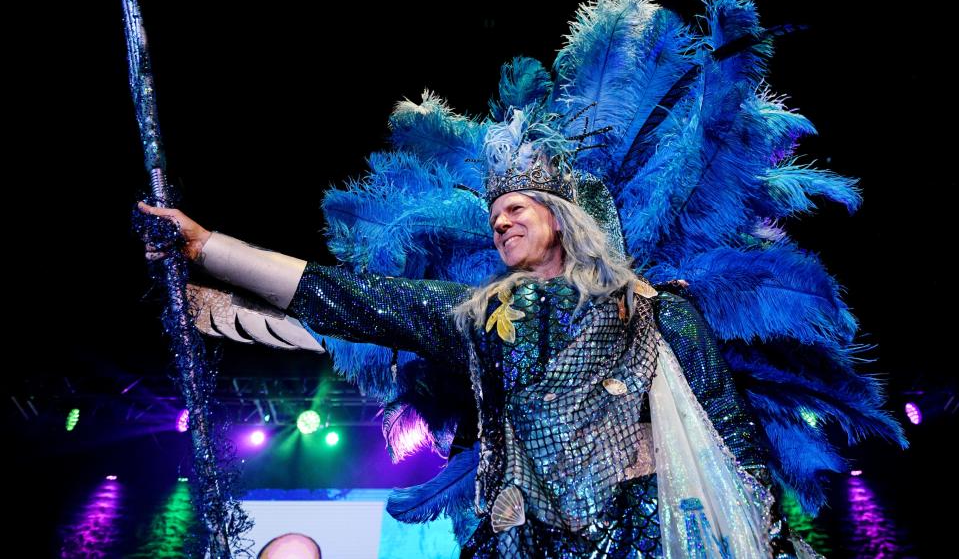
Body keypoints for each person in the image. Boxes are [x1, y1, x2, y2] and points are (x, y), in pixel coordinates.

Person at [138, 181, 810, 557]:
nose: (502, 221)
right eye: (493, 217)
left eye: (517, 206)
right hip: (528, 540)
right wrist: (209, 248)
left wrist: (760, 537)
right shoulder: (480, 315)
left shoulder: (657, 311)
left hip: (646, 531)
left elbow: (732, 436)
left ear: (566, 219)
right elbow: (353, 298)